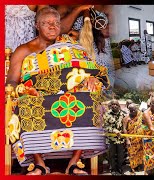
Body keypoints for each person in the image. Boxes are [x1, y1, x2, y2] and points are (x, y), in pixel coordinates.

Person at [6, 7, 109, 175]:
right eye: (47, 23)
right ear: (37, 25)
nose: (52, 27)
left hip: (68, 93)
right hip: (36, 94)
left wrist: (92, 78)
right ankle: (39, 164)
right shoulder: (24, 50)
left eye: (56, 23)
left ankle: (74, 163)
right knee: (25, 104)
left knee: (89, 99)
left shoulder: (70, 46)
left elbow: (88, 68)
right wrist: (24, 89)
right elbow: (10, 81)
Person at [72, 8, 116, 88]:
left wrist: (103, 82)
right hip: (84, 83)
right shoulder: (79, 25)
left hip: (102, 83)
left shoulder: (104, 41)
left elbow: (109, 69)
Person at [103, 99, 126, 175]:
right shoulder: (107, 114)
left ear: (119, 106)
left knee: (121, 155)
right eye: (113, 104)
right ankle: (113, 169)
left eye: (116, 104)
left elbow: (126, 126)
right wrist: (113, 130)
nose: (115, 106)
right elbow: (105, 127)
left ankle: (119, 168)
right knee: (111, 155)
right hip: (111, 139)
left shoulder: (123, 114)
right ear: (110, 105)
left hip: (120, 139)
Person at [122, 103, 144, 174]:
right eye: (131, 111)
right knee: (132, 154)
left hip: (140, 139)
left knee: (140, 153)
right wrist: (127, 140)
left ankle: (138, 165)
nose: (132, 112)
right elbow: (124, 129)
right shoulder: (126, 118)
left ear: (137, 109)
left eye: (134, 110)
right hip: (131, 140)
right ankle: (133, 168)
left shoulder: (141, 115)